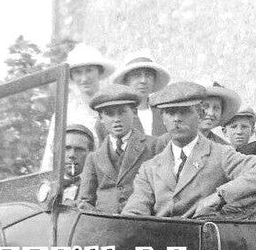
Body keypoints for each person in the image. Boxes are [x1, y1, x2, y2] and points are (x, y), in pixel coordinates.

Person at [121, 82, 256, 217]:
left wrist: (221, 195)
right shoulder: (149, 168)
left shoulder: (221, 154)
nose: (177, 119)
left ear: (199, 114)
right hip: (160, 245)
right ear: (163, 118)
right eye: (170, 113)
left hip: (203, 244)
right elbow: (135, 211)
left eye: (184, 111)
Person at [78, 85, 162, 213]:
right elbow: (85, 200)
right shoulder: (94, 157)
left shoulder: (153, 146)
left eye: (122, 112)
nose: (117, 119)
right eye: (110, 114)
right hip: (103, 224)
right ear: (101, 118)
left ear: (134, 113)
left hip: (143, 221)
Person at [38, 43, 114, 173]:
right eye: (78, 72)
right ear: (72, 76)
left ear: (99, 71)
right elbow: (50, 158)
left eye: (89, 70)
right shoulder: (64, 114)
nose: (84, 78)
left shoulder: (113, 107)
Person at [112, 52, 172, 137]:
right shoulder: (114, 116)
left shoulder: (164, 113)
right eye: (136, 75)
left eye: (148, 75)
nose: (143, 80)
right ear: (126, 81)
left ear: (154, 80)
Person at [59, 123, 96, 206]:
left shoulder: (98, 187)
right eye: (66, 148)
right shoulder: (46, 186)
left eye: (79, 149)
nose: (72, 155)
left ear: (91, 153)